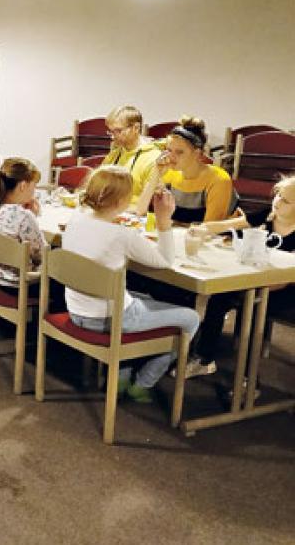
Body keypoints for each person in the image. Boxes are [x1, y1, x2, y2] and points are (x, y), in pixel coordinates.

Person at [62, 166, 201, 402]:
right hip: (110, 318)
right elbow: (165, 260)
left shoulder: (76, 219)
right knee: (191, 318)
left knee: (147, 299)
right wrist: (163, 221)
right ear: (120, 202)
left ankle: (122, 376)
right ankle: (144, 382)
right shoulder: (121, 235)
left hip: (78, 310)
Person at [189, 175, 295, 377]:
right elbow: (228, 225)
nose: (277, 201)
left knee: (254, 306)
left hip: (284, 290)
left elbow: (287, 280)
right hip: (255, 281)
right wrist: (202, 229)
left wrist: (250, 284)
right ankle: (204, 358)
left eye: (286, 200)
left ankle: (247, 377)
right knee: (218, 298)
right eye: (278, 195)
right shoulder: (267, 215)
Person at [135, 116, 238, 222]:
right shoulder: (169, 173)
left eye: (179, 152)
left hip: (213, 233)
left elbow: (210, 227)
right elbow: (140, 211)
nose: (171, 156)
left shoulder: (219, 179)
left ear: (197, 153)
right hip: (178, 231)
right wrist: (156, 172)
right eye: (169, 150)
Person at [0, 158, 46, 294]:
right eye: (34, 186)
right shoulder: (24, 216)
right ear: (23, 186)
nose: (34, 191)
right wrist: (34, 217)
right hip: (23, 284)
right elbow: (43, 256)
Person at [100, 105, 163, 204]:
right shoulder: (114, 155)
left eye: (118, 131)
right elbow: (100, 185)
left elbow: (152, 201)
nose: (112, 137)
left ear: (136, 128)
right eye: (110, 131)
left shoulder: (154, 158)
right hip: (113, 210)